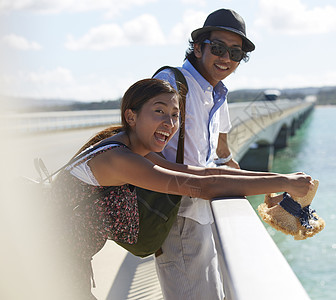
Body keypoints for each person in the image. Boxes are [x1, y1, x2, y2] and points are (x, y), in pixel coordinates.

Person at [52, 78, 313, 299]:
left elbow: (203, 172)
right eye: (159, 111)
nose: (169, 122)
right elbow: (203, 187)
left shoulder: (130, 148)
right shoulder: (120, 159)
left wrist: (279, 177)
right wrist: (284, 183)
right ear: (131, 116)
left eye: (175, 115)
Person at [152, 8, 257, 300]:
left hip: (203, 212)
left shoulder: (216, 93)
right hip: (178, 214)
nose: (226, 58)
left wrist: (260, 190)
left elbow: (223, 156)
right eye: (219, 48)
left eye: (235, 54)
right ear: (198, 47)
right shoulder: (172, 83)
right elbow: (139, 146)